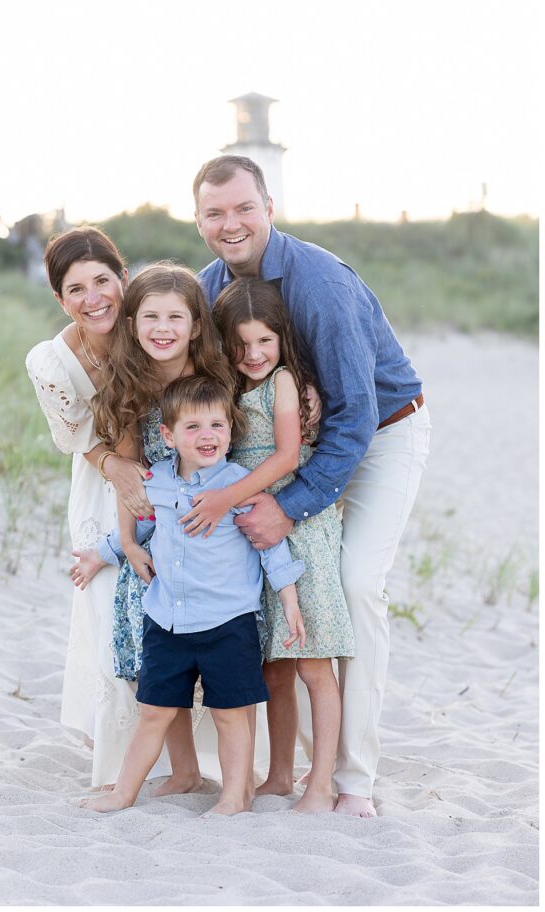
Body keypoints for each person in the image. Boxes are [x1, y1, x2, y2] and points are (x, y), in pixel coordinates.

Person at [193, 156, 431, 818]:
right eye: (216, 213)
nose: (231, 223)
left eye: (244, 208)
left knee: (355, 583)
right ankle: (286, 770)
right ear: (199, 221)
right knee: (272, 598)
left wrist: (289, 506)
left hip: (382, 432)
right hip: (282, 449)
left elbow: (353, 414)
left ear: (271, 208)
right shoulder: (210, 287)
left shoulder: (320, 283)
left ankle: (352, 780)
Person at [71, 375, 306, 816]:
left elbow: (271, 544)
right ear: (168, 435)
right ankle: (123, 792)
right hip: (167, 620)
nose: (208, 436)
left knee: (230, 713)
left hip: (227, 621)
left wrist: (289, 598)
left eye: (217, 425)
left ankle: (234, 796)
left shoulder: (239, 483)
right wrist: (98, 556)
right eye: (193, 427)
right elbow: (141, 530)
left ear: (231, 431)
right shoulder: (156, 481)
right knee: (155, 711)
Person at [177, 277, 355, 812]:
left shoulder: (283, 382)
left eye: (265, 342)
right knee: (272, 663)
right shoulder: (226, 385)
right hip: (248, 528)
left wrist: (223, 497)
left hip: (294, 522)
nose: (253, 354)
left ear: (281, 341)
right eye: (242, 343)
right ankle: (278, 775)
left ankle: (320, 782)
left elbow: (284, 457)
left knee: (311, 658)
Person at [25, 229, 175, 788]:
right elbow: (76, 439)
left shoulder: (152, 323)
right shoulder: (51, 361)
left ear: (123, 278)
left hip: (168, 476)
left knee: (172, 605)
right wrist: (114, 468)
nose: (94, 298)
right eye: (76, 289)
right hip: (98, 485)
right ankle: (117, 759)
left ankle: (188, 755)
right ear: (61, 299)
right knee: (114, 611)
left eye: (102, 281)